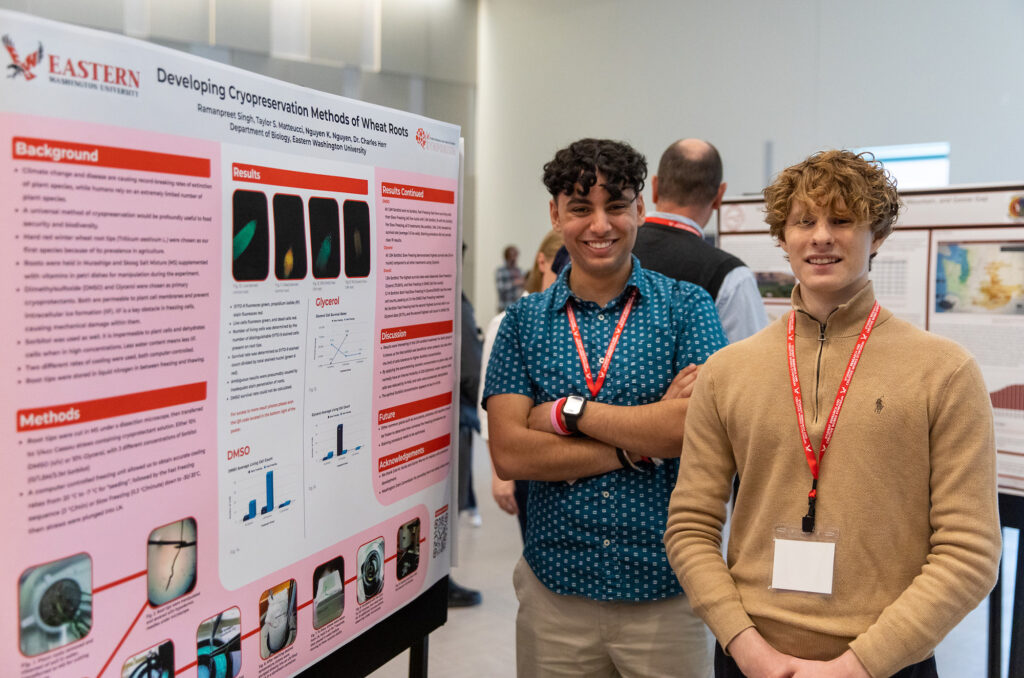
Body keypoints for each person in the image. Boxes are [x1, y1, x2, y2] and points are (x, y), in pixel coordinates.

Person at [664, 150, 1001, 678]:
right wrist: (744, 645)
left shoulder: (944, 372)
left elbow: (970, 550)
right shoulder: (728, 371)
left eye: (842, 221)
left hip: (887, 664)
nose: (821, 237)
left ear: (877, 235)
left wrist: (860, 665)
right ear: (783, 237)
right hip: (751, 660)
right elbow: (690, 527)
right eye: (804, 222)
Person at [484, 138, 727, 677]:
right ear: (555, 216)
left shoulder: (687, 306)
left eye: (616, 205)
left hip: (667, 593)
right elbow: (511, 453)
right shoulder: (523, 322)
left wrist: (568, 414)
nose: (600, 225)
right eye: (580, 208)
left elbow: (695, 428)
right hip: (556, 597)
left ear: (640, 207)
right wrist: (636, 446)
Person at [633, 138, 767, 343]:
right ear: (719, 196)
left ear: (654, 187)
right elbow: (751, 358)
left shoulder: (611, 252)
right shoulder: (730, 276)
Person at [479, 229, 565, 540]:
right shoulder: (509, 322)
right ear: (542, 262)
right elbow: (489, 407)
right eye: (561, 268)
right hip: (529, 459)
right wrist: (499, 475)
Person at [448, 285, 483, 608]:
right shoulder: (457, 302)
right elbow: (472, 370)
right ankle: (440, 582)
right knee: (449, 504)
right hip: (453, 417)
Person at [495, 244, 525, 312]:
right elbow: (500, 289)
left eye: (516, 256)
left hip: (517, 308)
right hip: (504, 308)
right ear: (506, 256)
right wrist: (515, 283)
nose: (514, 258)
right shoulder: (501, 271)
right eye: (512, 255)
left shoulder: (520, 271)